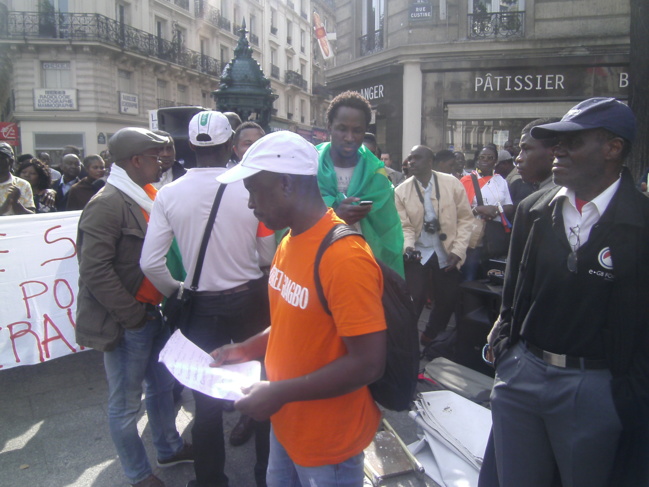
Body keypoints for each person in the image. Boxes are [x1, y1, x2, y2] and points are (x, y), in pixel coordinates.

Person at [481, 98, 649, 487]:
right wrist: (508, 352)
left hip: (597, 388)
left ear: (613, 148)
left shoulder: (641, 223)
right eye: (556, 141)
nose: (558, 150)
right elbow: (512, 296)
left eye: (573, 142)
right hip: (521, 376)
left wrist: (623, 393)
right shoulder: (533, 209)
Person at [212, 130, 387, 487]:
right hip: (287, 425)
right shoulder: (290, 240)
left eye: (253, 190)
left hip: (327, 445)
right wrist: (246, 348)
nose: (249, 203)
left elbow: (368, 363)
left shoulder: (344, 257)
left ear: (287, 184)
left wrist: (279, 392)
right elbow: (292, 322)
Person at [140, 110, 275, 487]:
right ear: (230, 144)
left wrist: (178, 290)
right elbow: (266, 256)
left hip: (201, 306)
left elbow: (150, 263)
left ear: (190, 146)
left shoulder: (168, 193)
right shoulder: (251, 185)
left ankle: (211, 480)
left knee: (206, 402)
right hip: (251, 300)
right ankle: (266, 476)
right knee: (262, 387)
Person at [75, 128, 192, 487]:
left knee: (161, 388)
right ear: (136, 161)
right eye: (156, 158)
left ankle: (168, 448)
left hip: (151, 313)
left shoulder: (147, 196)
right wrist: (131, 316)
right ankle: (138, 474)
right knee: (125, 406)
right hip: (128, 320)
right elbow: (94, 270)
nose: (163, 162)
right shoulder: (106, 205)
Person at [316, 91, 404, 277]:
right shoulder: (308, 164)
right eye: (342, 128)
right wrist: (336, 217)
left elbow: (388, 230)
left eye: (357, 130)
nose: (349, 137)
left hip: (362, 266)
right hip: (317, 264)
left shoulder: (377, 172)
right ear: (329, 126)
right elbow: (292, 218)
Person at [395, 145, 473, 345]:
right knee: (413, 300)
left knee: (448, 299)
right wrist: (408, 247)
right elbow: (404, 226)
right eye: (410, 158)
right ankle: (408, 343)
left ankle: (430, 336)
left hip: (446, 252)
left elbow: (466, 219)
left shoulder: (452, 183)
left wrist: (458, 250)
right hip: (418, 252)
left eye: (417, 158)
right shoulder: (401, 191)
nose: (411, 162)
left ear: (430, 162)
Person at [460, 145, 513, 280]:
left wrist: (495, 210)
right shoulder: (466, 181)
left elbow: (509, 206)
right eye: (482, 157)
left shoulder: (501, 181)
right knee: (470, 275)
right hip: (474, 236)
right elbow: (458, 209)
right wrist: (478, 209)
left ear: (495, 161)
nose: (485, 160)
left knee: (491, 274)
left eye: (490, 158)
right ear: (477, 160)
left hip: (494, 235)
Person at [515, 118, 561, 193]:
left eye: (526, 149)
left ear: (554, 152)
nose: (518, 158)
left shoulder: (558, 197)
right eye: (520, 150)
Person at [0, 143, 34, 215]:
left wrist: (15, 202)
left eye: (1, 157)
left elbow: (32, 217)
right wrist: (5, 207)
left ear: (11, 161)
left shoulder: (23, 185)